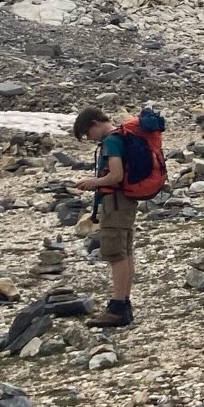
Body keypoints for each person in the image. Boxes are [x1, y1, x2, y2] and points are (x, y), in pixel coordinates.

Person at [73, 107, 138, 327]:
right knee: (125, 250)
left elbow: (116, 175)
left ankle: (118, 308)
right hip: (125, 201)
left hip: (116, 203)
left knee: (115, 252)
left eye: (88, 134)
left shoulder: (111, 141)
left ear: (94, 123)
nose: (91, 140)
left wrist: (94, 183)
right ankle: (124, 304)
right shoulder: (121, 135)